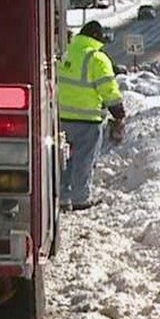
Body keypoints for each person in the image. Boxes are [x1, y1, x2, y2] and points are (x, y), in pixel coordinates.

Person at [56, 20, 126, 211]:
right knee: (84, 160)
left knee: (64, 159)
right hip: (87, 120)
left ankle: (62, 197)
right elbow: (108, 90)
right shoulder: (97, 58)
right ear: (97, 38)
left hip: (61, 119)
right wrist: (118, 112)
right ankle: (80, 198)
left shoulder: (66, 53)